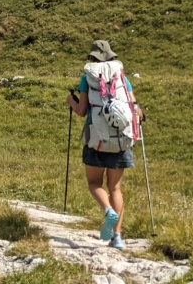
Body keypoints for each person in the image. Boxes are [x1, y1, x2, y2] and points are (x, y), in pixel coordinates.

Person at [66, 39, 144, 250]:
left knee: (94, 184)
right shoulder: (121, 77)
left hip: (96, 140)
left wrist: (70, 102)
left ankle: (108, 211)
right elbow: (134, 107)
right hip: (121, 140)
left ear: (93, 58)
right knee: (115, 188)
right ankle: (117, 237)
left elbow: (82, 111)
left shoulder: (87, 78)